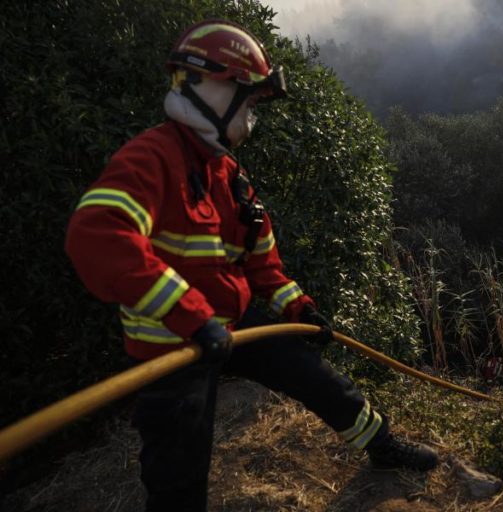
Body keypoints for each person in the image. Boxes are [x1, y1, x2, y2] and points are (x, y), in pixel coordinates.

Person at [65, 19, 437, 512]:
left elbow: (261, 259)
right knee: (179, 467)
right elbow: (97, 236)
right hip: (172, 345)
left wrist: (298, 307)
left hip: (233, 326)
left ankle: (381, 446)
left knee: (318, 379)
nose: (251, 116)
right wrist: (192, 318)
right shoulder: (149, 159)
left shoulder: (226, 172)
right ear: (210, 89)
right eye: (250, 101)